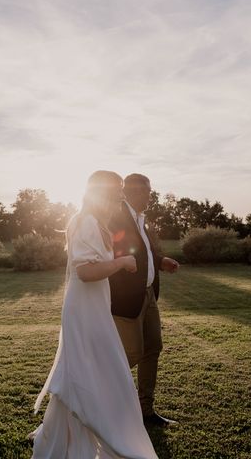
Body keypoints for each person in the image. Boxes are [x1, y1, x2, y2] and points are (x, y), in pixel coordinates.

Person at [31, 171, 158, 459]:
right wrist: (122, 262)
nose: (120, 198)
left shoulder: (95, 222)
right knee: (105, 372)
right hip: (84, 311)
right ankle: (111, 434)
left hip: (94, 307)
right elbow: (86, 271)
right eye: (116, 193)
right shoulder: (87, 222)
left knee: (85, 371)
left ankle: (64, 438)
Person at [109, 173, 180, 427]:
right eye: (147, 191)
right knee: (131, 353)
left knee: (153, 349)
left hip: (149, 294)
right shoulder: (116, 217)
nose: (151, 196)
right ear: (134, 191)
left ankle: (145, 411)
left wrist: (161, 261)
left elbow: (145, 251)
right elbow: (116, 253)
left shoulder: (141, 219)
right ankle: (100, 402)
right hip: (126, 298)